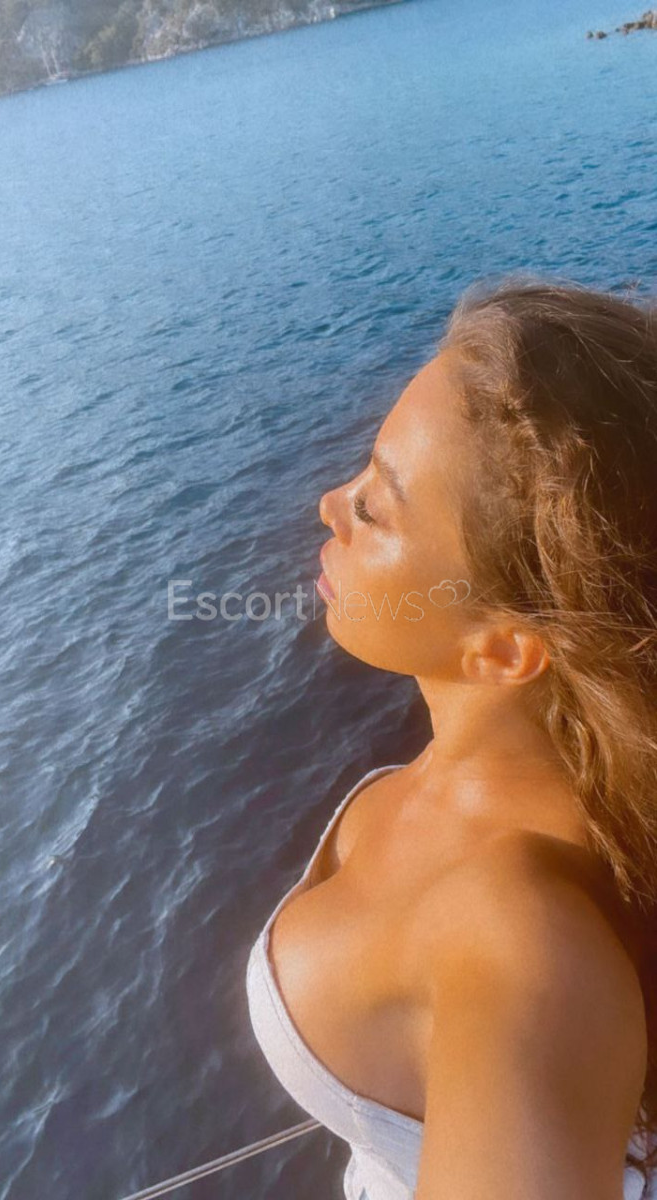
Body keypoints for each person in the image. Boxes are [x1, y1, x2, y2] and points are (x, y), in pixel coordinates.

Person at [246, 277, 657, 1200]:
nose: (328, 503)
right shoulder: (535, 777)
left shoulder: (519, 946)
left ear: (505, 648)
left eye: (375, 507)